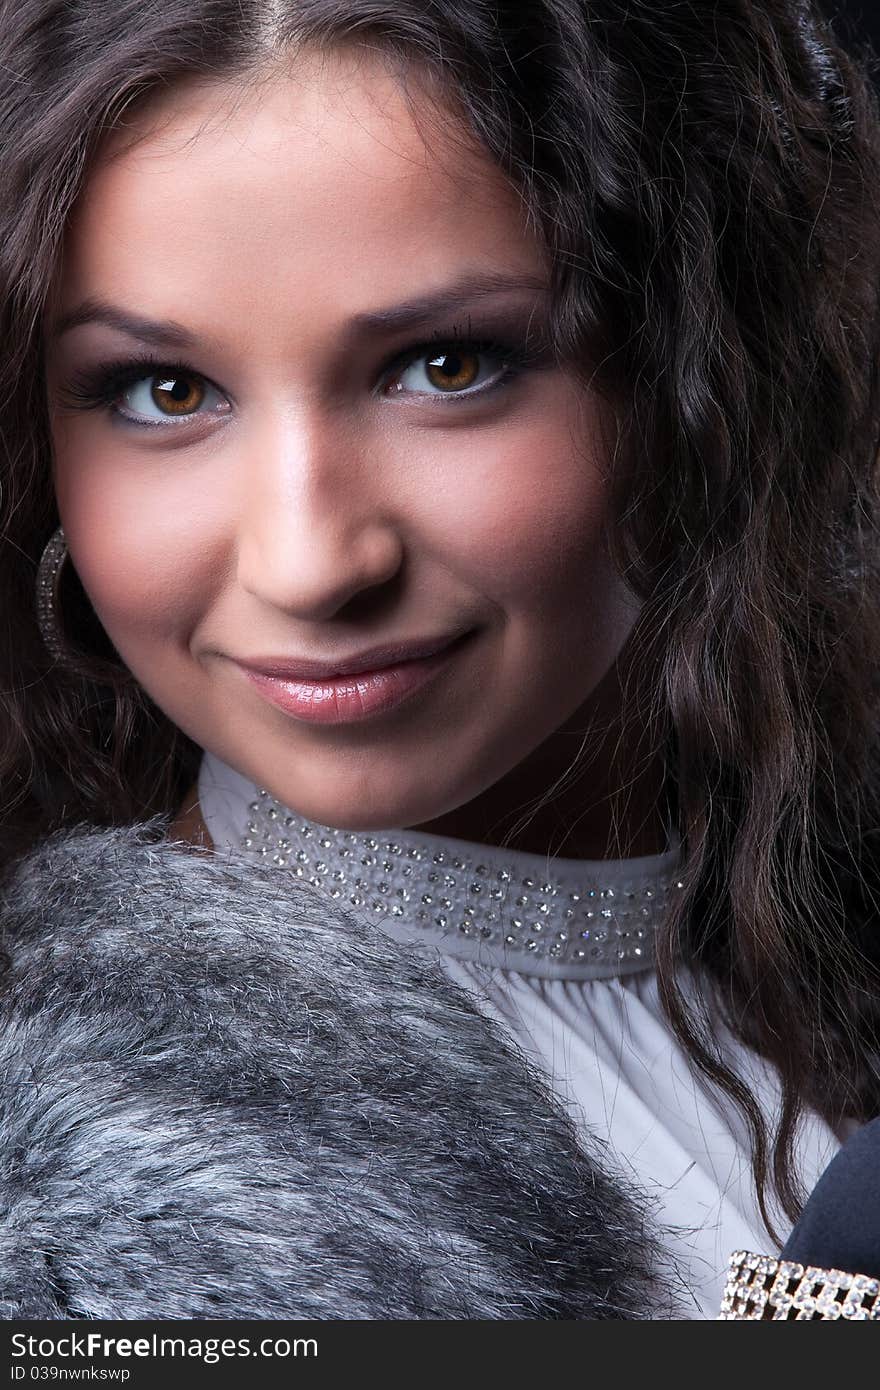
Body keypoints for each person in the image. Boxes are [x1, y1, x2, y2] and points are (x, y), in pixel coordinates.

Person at [0, 0, 878, 1321]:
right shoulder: (86, 1205)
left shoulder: (811, 930)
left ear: (692, 373)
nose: (311, 561)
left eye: (445, 364)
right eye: (162, 391)